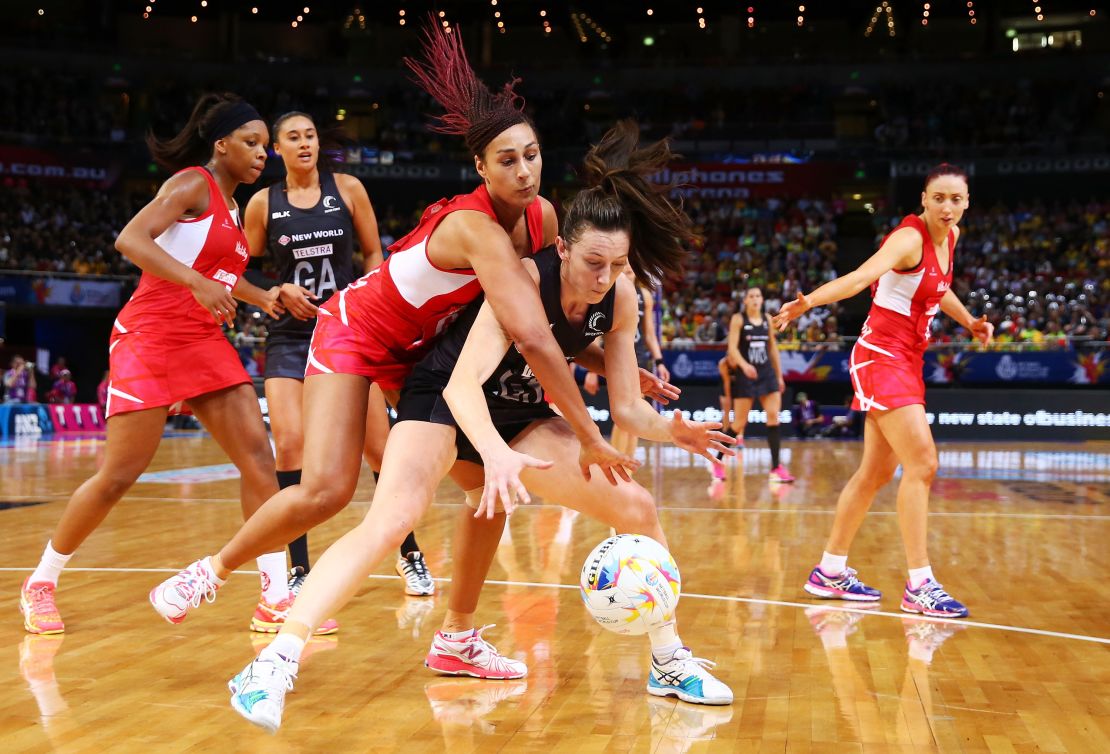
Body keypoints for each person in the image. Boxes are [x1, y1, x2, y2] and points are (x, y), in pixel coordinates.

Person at [228, 120, 735, 732]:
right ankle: (274, 662)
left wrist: (674, 431)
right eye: (594, 262)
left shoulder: (621, 296)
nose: (604, 278)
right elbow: (464, 384)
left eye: (617, 266)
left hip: (518, 415)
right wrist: (493, 453)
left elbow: (626, 409)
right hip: (446, 396)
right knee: (391, 520)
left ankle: (668, 660)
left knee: (636, 506)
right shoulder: (520, 278)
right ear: (564, 249)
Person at [148, 21, 636, 630]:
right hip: (355, 333)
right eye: (506, 160)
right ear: (481, 168)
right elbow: (535, 338)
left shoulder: (542, 218)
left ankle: (456, 636)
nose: (523, 171)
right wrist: (589, 435)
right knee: (328, 487)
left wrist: (616, 365)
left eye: (531, 156)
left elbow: (540, 329)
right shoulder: (475, 228)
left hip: (420, 352)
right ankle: (210, 572)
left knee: (487, 490)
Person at [18, 93, 287, 635]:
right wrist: (197, 283)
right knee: (119, 475)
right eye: (252, 143)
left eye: (265, 145)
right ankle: (41, 581)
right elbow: (130, 239)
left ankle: (276, 595)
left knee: (259, 458)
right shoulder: (192, 184)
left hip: (201, 336)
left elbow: (220, 277)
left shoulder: (234, 212)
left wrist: (268, 297)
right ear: (222, 145)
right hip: (151, 334)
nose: (263, 154)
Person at [774, 163, 993, 619]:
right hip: (880, 356)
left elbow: (938, 290)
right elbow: (859, 278)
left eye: (956, 199)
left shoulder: (951, 239)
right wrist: (807, 303)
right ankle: (920, 584)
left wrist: (969, 321)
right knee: (923, 464)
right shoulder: (909, 238)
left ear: (967, 202)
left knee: (874, 474)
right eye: (939, 198)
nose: (948, 207)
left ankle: (829, 571)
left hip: (907, 359)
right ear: (924, 199)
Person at [243, 110, 432, 612]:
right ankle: (300, 568)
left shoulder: (347, 189)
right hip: (288, 338)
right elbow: (243, 272)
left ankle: (408, 551)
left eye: (309, 135)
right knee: (290, 448)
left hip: (348, 335)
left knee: (380, 450)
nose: (304, 143)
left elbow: (375, 254)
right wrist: (277, 288)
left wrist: (363, 300)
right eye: (293, 138)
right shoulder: (263, 203)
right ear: (277, 149)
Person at [711, 287, 793, 483]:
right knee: (738, 423)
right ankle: (717, 461)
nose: (755, 299)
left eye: (758, 296)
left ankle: (776, 468)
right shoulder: (739, 319)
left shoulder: (766, 318)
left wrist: (779, 376)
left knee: (774, 418)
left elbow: (773, 349)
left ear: (762, 299)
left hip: (766, 374)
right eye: (751, 296)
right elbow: (732, 349)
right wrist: (744, 365)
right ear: (745, 301)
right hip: (746, 375)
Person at [608, 265, 669, 457]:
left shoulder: (645, 296)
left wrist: (659, 361)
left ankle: (627, 469)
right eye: (623, 262)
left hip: (640, 358)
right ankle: (617, 463)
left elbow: (649, 334)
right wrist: (593, 371)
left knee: (634, 415)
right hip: (618, 356)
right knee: (625, 415)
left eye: (631, 263)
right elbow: (600, 331)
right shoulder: (611, 290)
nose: (627, 267)